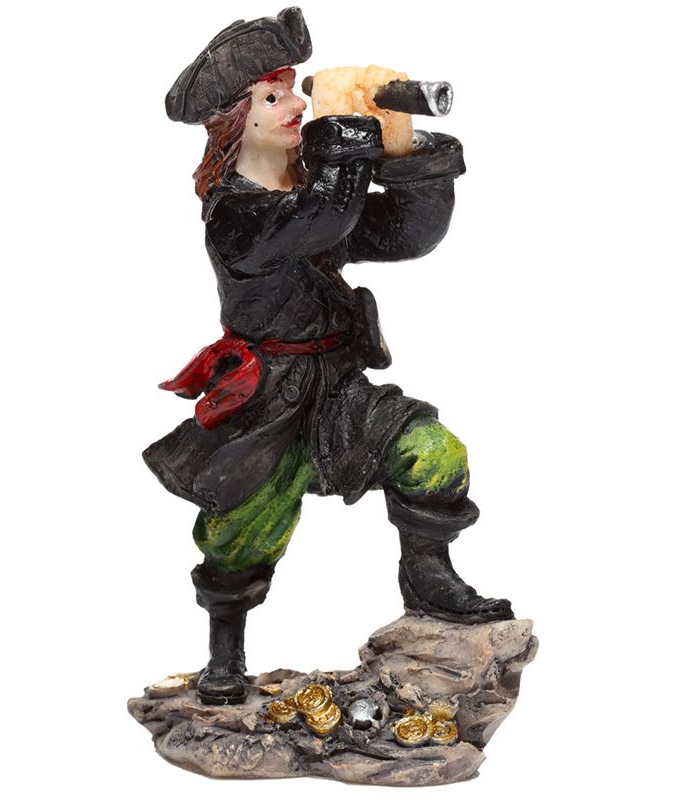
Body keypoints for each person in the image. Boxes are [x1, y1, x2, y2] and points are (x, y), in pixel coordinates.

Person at [145, 7, 513, 706]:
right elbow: (326, 217)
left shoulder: (312, 189)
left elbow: (404, 235)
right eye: (273, 97)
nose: (296, 106)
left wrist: (406, 153)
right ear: (236, 121)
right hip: (269, 395)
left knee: (431, 452)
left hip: (339, 387)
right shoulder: (236, 213)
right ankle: (225, 657)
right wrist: (345, 136)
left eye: (293, 91)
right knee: (241, 527)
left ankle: (429, 579)